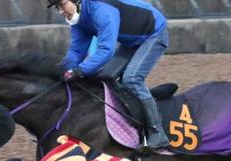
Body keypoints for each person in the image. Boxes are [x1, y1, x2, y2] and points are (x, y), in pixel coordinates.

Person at [48, 0, 170, 150]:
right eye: (57, 7)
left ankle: (158, 133)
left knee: (131, 79)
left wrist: (79, 71)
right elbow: (76, 51)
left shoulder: (101, 9)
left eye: (61, 4)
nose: (60, 11)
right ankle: (131, 117)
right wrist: (66, 70)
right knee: (105, 76)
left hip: (154, 33)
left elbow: (106, 50)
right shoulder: (79, 18)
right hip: (131, 41)